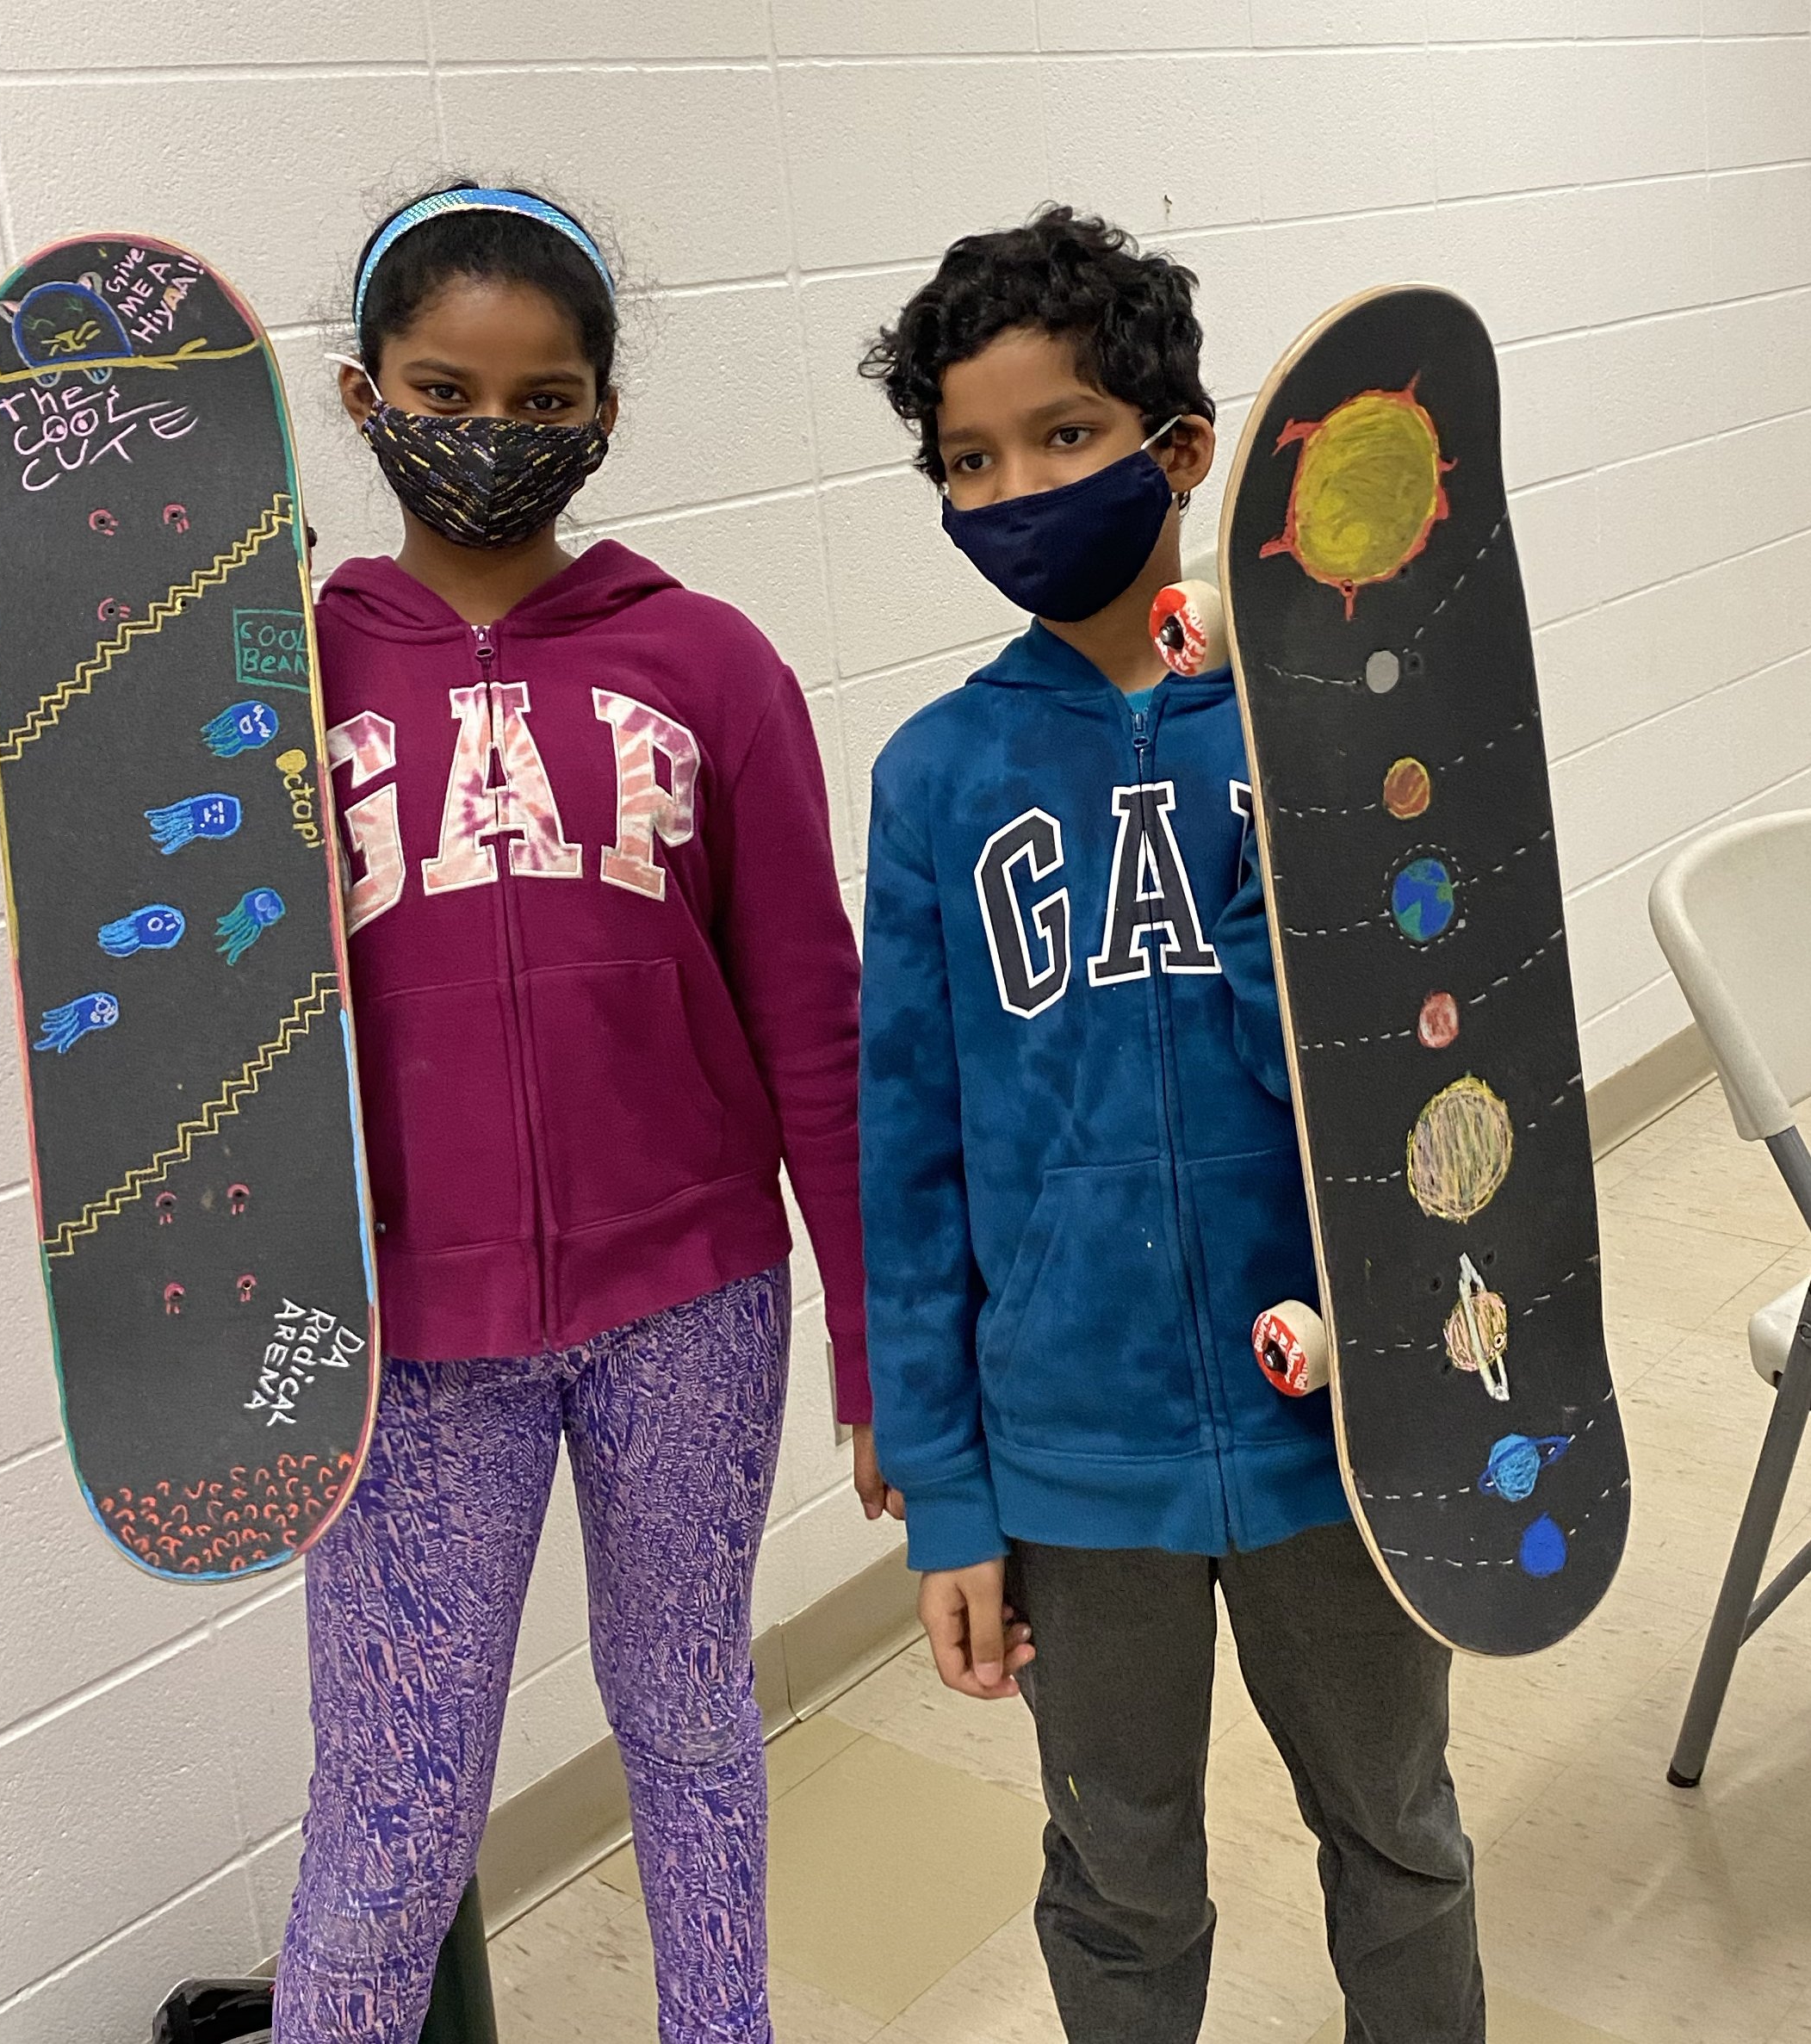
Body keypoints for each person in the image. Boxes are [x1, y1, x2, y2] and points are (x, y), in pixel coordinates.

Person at [856, 207, 1485, 2044]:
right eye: (966, 460)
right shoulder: (933, 779)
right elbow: (906, 1152)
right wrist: (947, 1495)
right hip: (1074, 1456)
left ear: (1183, 451)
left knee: (1395, 1828)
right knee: (1119, 1876)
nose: (1015, 487)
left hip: (1336, 1425)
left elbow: (1439, 1059)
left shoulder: (1320, 729)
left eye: (1063, 437)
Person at [276, 182, 884, 2044]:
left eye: (543, 401)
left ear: (604, 413)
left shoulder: (703, 661)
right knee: (388, 1825)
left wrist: (877, 1346)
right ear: (360, 394)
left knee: (694, 1727)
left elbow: (813, 1021)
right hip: (403, 1341)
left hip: (688, 1307)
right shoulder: (271, 689)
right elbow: (191, 1045)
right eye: (441, 386)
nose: (490, 432)